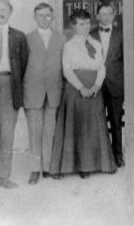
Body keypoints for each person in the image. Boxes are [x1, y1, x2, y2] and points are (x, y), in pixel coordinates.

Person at [50, 9, 116, 179]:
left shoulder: (97, 44)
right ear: (74, 26)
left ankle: (99, 164)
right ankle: (79, 166)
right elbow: (67, 70)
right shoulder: (69, 46)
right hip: (76, 90)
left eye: (87, 23)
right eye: (81, 24)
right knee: (78, 127)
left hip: (94, 89)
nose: (85, 27)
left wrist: (96, 86)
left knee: (94, 126)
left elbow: (102, 68)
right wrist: (81, 87)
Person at [22, 3, 65, 184]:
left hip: (54, 90)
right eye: (41, 15)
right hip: (33, 91)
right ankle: (34, 169)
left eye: (48, 15)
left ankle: (48, 168)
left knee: (51, 131)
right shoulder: (26, 39)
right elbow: (21, 66)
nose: (45, 18)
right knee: (34, 131)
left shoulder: (61, 38)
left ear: (53, 17)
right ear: (35, 17)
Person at [0, 0, 29, 189]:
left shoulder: (19, 36)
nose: (0, 13)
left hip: (10, 85)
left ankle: (3, 177)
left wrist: (14, 83)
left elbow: (23, 65)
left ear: (10, 12)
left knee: (7, 132)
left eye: (4, 10)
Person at [90, 2, 124, 167]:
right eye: (103, 14)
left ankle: (118, 155)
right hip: (96, 85)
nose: (106, 17)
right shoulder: (90, 35)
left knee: (117, 122)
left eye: (109, 13)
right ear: (97, 16)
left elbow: (126, 61)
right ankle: (101, 157)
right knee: (97, 121)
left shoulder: (122, 33)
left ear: (113, 15)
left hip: (116, 83)